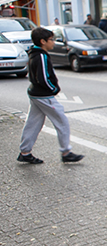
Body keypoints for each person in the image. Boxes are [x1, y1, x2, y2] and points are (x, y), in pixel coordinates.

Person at [17, 27, 85, 164]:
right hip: (43, 95)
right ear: (43, 41)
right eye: (51, 40)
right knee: (62, 121)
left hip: (35, 94)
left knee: (33, 123)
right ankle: (66, 152)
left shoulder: (35, 53)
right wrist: (53, 89)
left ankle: (25, 152)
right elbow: (42, 77)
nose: (53, 42)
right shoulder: (41, 56)